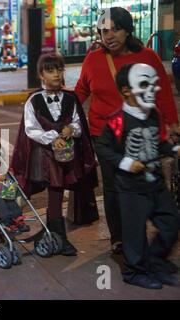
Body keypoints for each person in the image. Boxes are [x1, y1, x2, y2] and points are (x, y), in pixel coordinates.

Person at [75, 7, 179, 254]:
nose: (108, 36)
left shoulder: (148, 57)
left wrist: (172, 125)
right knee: (112, 189)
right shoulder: (94, 59)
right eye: (103, 31)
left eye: (115, 29)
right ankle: (119, 239)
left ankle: (142, 235)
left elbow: (162, 93)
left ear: (128, 29)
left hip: (141, 133)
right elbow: (81, 91)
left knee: (143, 186)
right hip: (105, 134)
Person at [94, 63, 180, 289]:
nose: (153, 89)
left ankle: (155, 260)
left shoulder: (154, 114)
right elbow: (102, 146)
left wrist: (172, 149)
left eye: (154, 84)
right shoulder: (117, 120)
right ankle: (135, 272)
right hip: (131, 188)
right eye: (144, 84)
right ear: (126, 90)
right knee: (134, 234)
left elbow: (159, 142)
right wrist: (124, 161)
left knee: (171, 221)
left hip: (156, 184)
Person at [11, 53, 98, 256]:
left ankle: (53, 234)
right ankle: (59, 238)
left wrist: (71, 130)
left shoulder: (71, 97)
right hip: (45, 156)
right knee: (56, 191)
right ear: (41, 74)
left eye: (59, 70)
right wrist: (51, 137)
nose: (57, 74)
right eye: (51, 70)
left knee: (57, 193)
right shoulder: (33, 100)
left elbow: (78, 121)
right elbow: (30, 129)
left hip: (67, 154)